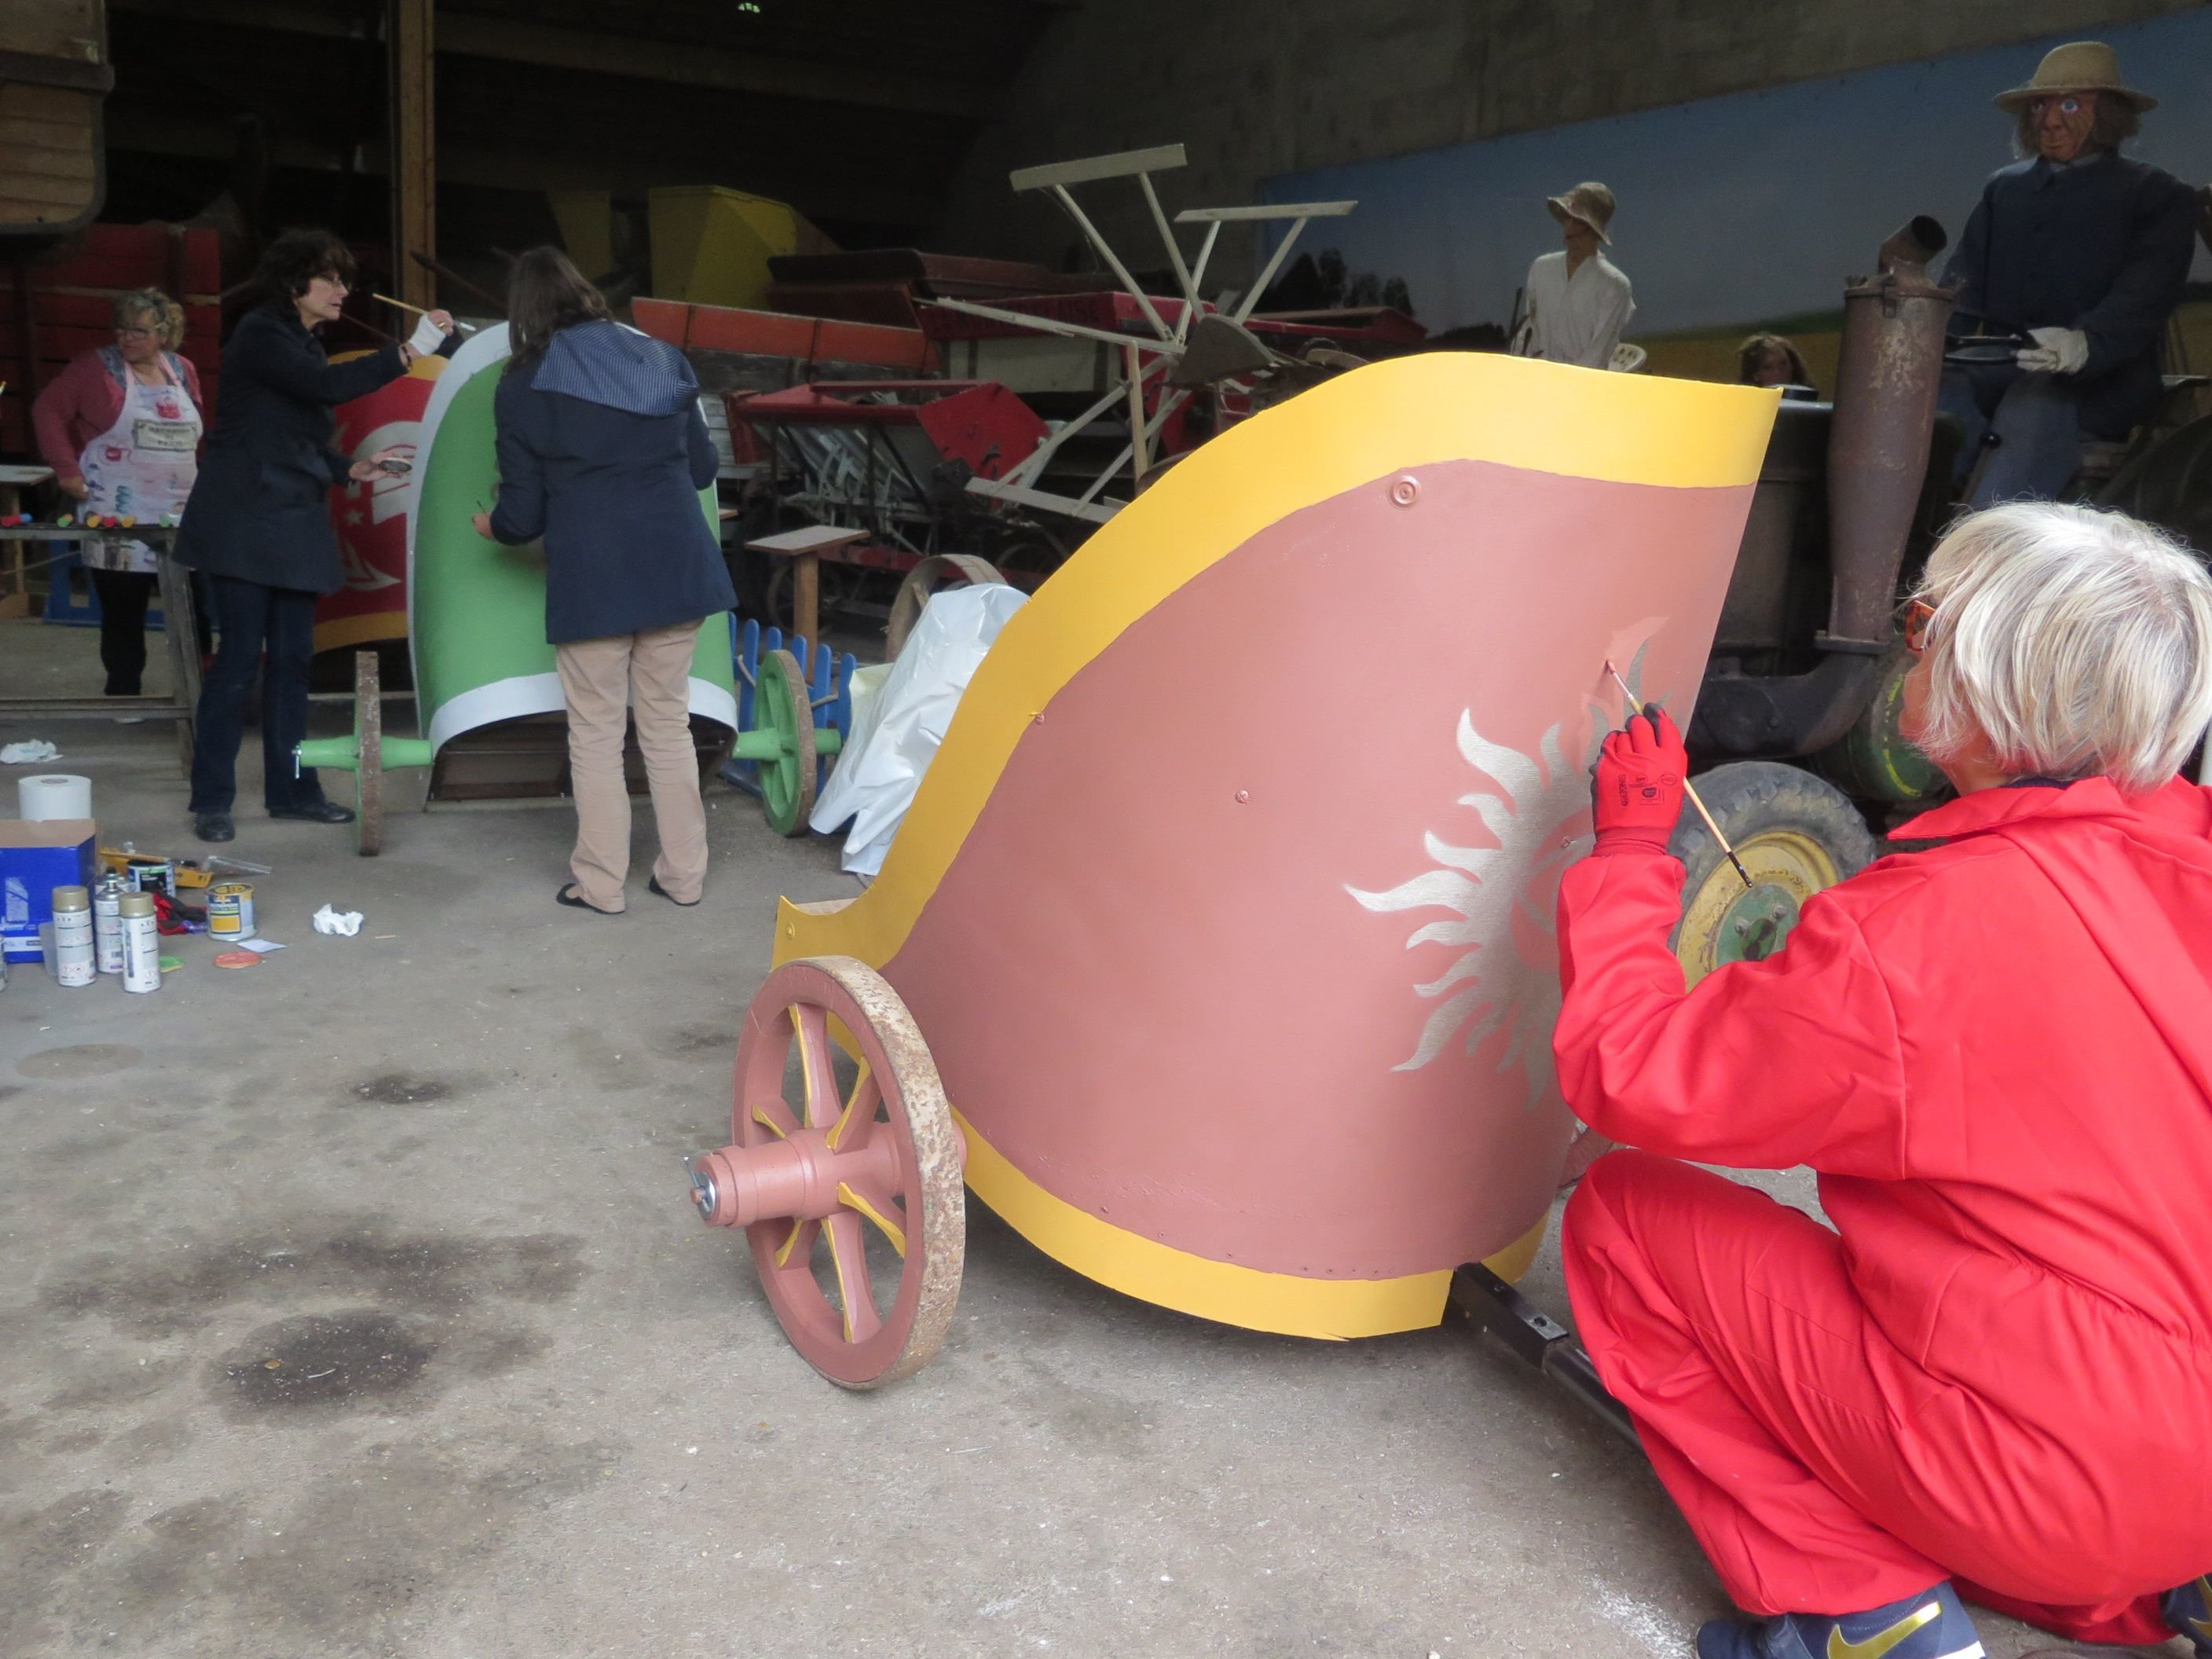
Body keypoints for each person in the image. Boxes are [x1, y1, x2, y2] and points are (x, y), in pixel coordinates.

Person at [1551, 500, 2212, 1659]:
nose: (1910, 642)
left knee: (1623, 1218)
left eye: (1922, 620)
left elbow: (1632, 1073)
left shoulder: (1914, 936)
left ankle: (1862, 1609)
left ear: (1983, 674)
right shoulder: (2191, 850)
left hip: (2060, 1482)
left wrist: (1625, 862)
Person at [472, 247, 734, 914]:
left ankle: (601, 885)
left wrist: (490, 527)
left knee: (594, 733)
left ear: (524, 311)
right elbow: (702, 470)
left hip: (596, 579)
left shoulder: (523, 382)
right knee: (668, 727)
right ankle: (683, 877)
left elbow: (521, 513)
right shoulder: (660, 358)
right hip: (678, 567)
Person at [174, 229, 455, 843]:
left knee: (296, 663)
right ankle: (212, 800)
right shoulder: (262, 334)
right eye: (329, 278)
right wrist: (413, 351)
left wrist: (349, 468)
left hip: (293, 518)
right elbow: (326, 389)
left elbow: (293, 436)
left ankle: (293, 790)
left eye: (344, 279)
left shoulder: (299, 341)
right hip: (245, 520)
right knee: (240, 663)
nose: (342, 290)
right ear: (293, 282)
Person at [1939, 42, 2199, 507]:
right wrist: (1931, 339)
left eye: (2071, 104)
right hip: (2003, 365)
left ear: (2109, 116)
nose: (2050, 120)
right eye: (2041, 104)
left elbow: (2146, 293)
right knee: (1939, 390)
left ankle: (1991, 542)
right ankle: (1925, 515)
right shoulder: (2005, 189)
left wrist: (2084, 343)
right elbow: (1963, 281)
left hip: (2102, 382)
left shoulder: (2156, 195)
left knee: (2034, 404)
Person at [30, 288, 211, 697]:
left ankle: (201, 694)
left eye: (139, 331)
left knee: (191, 607)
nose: (126, 338)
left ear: (164, 335)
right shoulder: (93, 369)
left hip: (180, 511)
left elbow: (195, 434)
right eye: (121, 329)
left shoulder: (183, 371)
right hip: (117, 511)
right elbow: (47, 410)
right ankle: (124, 692)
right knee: (123, 611)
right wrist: (66, 470)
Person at [1514, 181, 1635, 371]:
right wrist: (1524, 368)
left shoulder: (1615, 284)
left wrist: (1572, 383)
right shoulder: (1542, 268)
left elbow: (1599, 350)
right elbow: (1527, 329)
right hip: (1537, 378)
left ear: (1592, 228)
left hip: (1583, 385)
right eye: (1567, 218)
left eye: (1577, 220)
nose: (1568, 226)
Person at [1737, 332, 1811, 390]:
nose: (1778, 372)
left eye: (1783, 364)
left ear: (1792, 366)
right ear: (1755, 375)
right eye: (1768, 367)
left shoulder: (1809, 401)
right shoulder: (1745, 406)